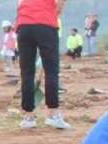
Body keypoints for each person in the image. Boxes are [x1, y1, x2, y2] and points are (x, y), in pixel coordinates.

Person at [17, 0, 69, 130]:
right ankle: (53, 114)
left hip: (24, 25)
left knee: (27, 73)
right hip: (45, 23)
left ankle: (28, 117)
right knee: (51, 71)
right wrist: (54, 14)